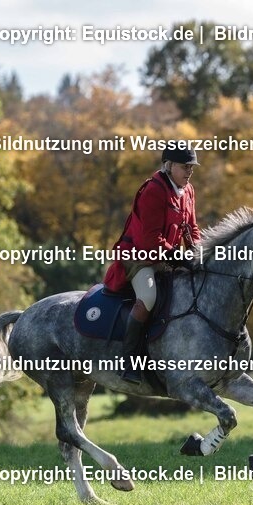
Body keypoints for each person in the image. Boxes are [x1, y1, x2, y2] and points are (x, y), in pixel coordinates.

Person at [103, 148, 201, 383]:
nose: (189, 172)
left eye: (191, 168)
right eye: (185, 166)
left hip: (164, 257)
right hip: (138, 257)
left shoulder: (187, 190)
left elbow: (192, 228)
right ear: (168, 166)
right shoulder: (153, 191)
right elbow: (149, 240)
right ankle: (129, 361)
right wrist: (177, 255)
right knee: (148, 297)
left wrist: (199, 253)